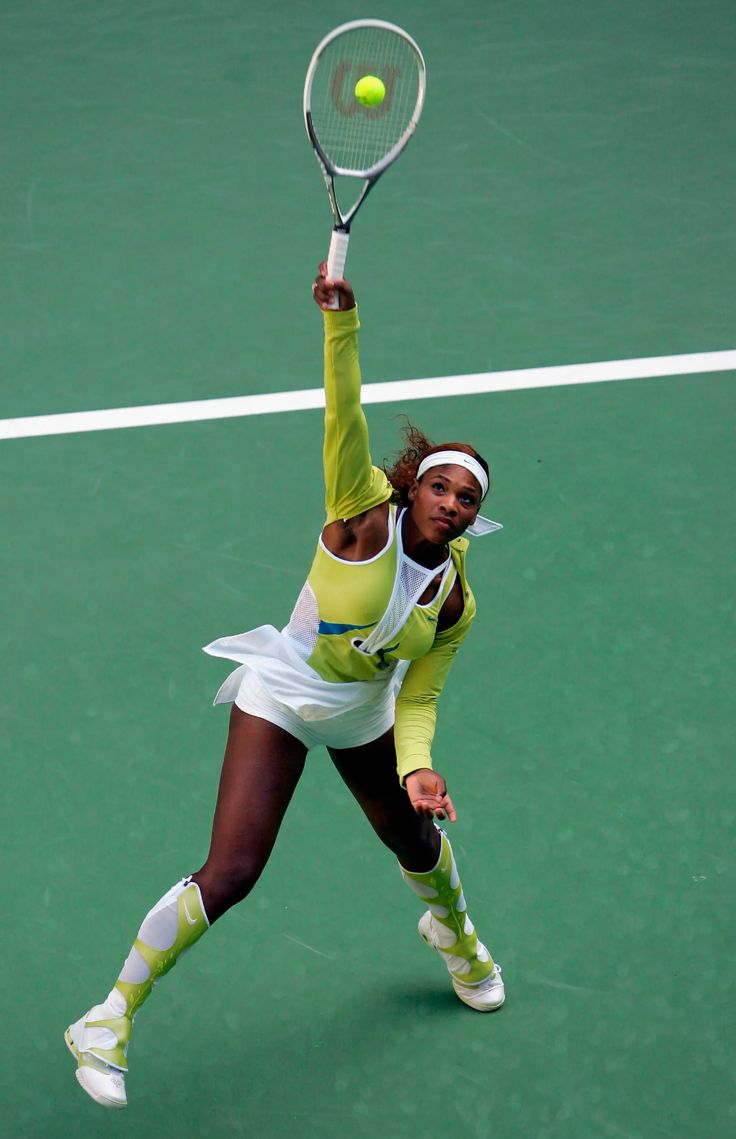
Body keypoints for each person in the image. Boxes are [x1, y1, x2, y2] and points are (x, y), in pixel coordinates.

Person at [64, 265, 505, 1110]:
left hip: (366, 710)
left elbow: (419, 695)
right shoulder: (358, 514)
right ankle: (107, 1018)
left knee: (414, 841)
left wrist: (417, 766)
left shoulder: (454, 598)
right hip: (285, 690)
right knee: (232, 869)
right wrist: (343, 324)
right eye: (441, 485)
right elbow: (346, 414)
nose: (451, 502)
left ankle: (455, 932)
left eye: (467, 498)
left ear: (474, 516)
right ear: (413, 485)